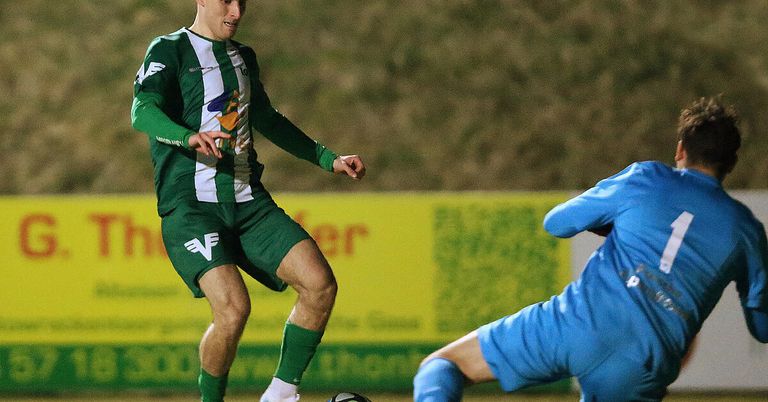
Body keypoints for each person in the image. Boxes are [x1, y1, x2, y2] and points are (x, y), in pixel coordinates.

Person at [413, 97, 768, 401]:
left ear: (680, 149)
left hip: (576, 325)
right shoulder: (746, 230)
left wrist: (615, 225)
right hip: (644, 363)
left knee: (443, 366)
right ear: (731, 163)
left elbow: (557, 223)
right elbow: (762, 328)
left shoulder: (645, 178)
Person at [131, 1, 366, 401]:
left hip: (248, 203)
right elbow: (142, 111)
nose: (237, 11)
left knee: (320, 285)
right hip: (192, 209)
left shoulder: (243, 57)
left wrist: (328, 158)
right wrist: (188, 136)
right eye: (227, 1)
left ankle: (280, 394)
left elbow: (268, 118)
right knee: (233, 310)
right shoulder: (168, 50)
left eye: (242, 2)